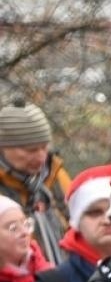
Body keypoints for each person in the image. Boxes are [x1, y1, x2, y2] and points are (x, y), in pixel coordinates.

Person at [0, 100, 71, 264]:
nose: (41, 157)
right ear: (3, 147)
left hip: (61, 278)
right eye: (30, 150)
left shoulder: (55, 175)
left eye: (44, 147)